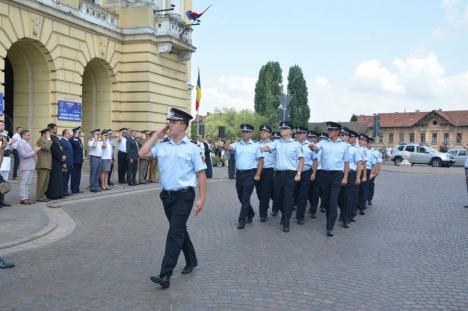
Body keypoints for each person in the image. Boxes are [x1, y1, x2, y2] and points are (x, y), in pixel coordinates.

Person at [138, 107, 207, 289]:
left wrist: (201, 199)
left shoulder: (192, 149)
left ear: (183, 125)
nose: (170, 124)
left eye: (174, 122)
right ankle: (191, 259)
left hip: (184, 196)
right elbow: (142, 154)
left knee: (174, 232)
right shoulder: (162, 146)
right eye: (169, 121)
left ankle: (165, 275)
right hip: (167, 197)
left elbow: (201, 174)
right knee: (179, 229)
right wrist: (156, 136)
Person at [262, 121, 304, 233]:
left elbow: (301, 160)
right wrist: (264, 148)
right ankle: (285, 213)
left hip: (291, 174)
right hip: (279, 175)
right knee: (277, 197)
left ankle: (286, 222)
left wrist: (298, 174)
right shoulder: (276, 143)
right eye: (281, 128)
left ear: (290, 131)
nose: (282, 130)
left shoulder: (296, 145)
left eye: (284, 129)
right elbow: (268, 146)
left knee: (288, 198)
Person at [219, 124, 264, 229]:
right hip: (239, 174)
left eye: (247, 132)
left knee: (245, 197)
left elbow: (261, 161)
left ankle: (241, 220)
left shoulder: (256, 146)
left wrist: (258, 174)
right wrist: (223, 145)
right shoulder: (237, 144)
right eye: (243, 132)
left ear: (251, 134)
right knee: (240, 196)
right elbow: (229, 147)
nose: (245, 134)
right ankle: (251, 213)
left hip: (250, 173)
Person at [309, 122, 350, 237]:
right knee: (326, 201)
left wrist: (345, 177)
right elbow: (316, 149)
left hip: (337, 175)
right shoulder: (323, 143)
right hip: (324, 175)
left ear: (337, 131)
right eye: (328, 130)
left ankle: (329, 227)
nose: (329, 132)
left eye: (331, 130)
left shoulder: (344, 145)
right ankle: (329, 219)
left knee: (333, 201)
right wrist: (312, 146)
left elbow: (346, 163)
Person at [337, 128, 362, 228]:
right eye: (341, 134)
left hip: (350, 174)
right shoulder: (337, 147)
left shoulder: (354, 149)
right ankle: (343, 212)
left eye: (344, 135)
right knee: (338, 198)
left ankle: (345, 219)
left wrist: (358, 177)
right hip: (338, 174)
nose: (342, 136)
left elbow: (359, 163)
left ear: (348, 137)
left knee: (348, 197)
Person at [295, 127, 318, 225]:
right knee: (293, 194)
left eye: (300, 133)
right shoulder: (292, 144)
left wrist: (313, 173)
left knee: (303, 195)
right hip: (293, 172)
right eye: (297, 133)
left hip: (306, 172)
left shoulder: (310, 145)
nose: (298, 135)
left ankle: (300, 216)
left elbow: (315, 160)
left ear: (305, 134)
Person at [255, 124, 275, 222]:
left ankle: (263, 214)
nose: (263, 133)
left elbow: (276, 159)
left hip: (268, 170)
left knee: (265, 192)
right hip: (258, 170)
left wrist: (275, 171)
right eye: (262, 132)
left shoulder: (273, 145)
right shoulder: (256, 145)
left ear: (269, 134)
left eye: (265, 132)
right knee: (259, 192)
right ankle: (265, 205)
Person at [17, 130, 41, 204]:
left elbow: (30, 153)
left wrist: (34, 150)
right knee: (24, 183)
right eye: (28, 135)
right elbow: (24, 155)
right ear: (23, 135)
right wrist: (35, 151)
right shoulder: (20, 144)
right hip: (25, 166)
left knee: (27, 183)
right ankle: (23, 198)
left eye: (29, 135)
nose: (29, 136)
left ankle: (26, 197)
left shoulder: (27, 143)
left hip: (30, 165)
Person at [45, 123, 65, 200]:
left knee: (59, 178)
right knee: (54, 178)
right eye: (55, 128)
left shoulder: (56, 138)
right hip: (54, 160)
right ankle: (53, 194)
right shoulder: (49, 138)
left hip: (59, 160)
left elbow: (61, 147)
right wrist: (60, 156)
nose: (56, 129)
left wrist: (63, 155)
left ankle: (59, 193)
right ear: (51, 129)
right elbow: (53, 149)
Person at [307, 130, 321, 218]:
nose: (311, 139)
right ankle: (311, 205)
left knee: (315, 191)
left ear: (317, 138)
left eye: (313, 137)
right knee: (308, 191)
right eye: (310, 137)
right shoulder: (306, 146)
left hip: (318, 171)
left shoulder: (320, 147)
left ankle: (313, 210)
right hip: (308, 171)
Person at [36, 129, 52, 202]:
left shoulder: (45, 141)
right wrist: (49, 139)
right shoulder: (40, 140)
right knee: (41, 182)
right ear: (44, 134)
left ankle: (42, 195)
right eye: (48, 134)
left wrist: (48, 140)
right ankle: (39, 196)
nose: (49, 136)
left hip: (46, 164)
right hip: (42, 165)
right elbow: (47, 147)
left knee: (45, 182)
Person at [357, 134, 369, 216]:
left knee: (363, 189)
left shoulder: (369, 151)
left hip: (365, 170)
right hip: (357, 170)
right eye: (360, 140)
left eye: (362, 140)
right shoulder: (356, 149)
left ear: (366, 142)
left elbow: (371, 163)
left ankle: (362, 207)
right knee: (356, 189)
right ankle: (356, 205)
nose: (361, 141)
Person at [367, 138, 382, 206]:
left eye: (370, 143)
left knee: (370, 185)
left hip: (372, 170)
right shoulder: (364, 150)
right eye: (368, 143)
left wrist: (377, 171)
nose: (369, 144)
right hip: (365, 169)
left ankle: (370, 199)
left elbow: (379, 162)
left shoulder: (376, 152)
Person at [69, 127, 84, 194]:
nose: (80, 133)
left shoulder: (79, 139)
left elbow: (81, 149)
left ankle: (77, 188)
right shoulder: (72, 139)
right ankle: (73, 189)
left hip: (79, 160)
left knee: (78, 175)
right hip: (75, 160)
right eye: (78, 132)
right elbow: (74, 144)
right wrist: (76, 136)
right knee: (74, 175)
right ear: (75, 132)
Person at [60, 129, 74, 196]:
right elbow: (63, 153)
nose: (70, 135)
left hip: (69, 163)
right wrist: (64, 163)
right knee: (64, 178)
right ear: (64, 134)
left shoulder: (67, 141)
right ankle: (63, 191)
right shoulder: (62, 141)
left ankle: (65, 190)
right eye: (68, 133)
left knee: (67, 177)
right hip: (65, 164)